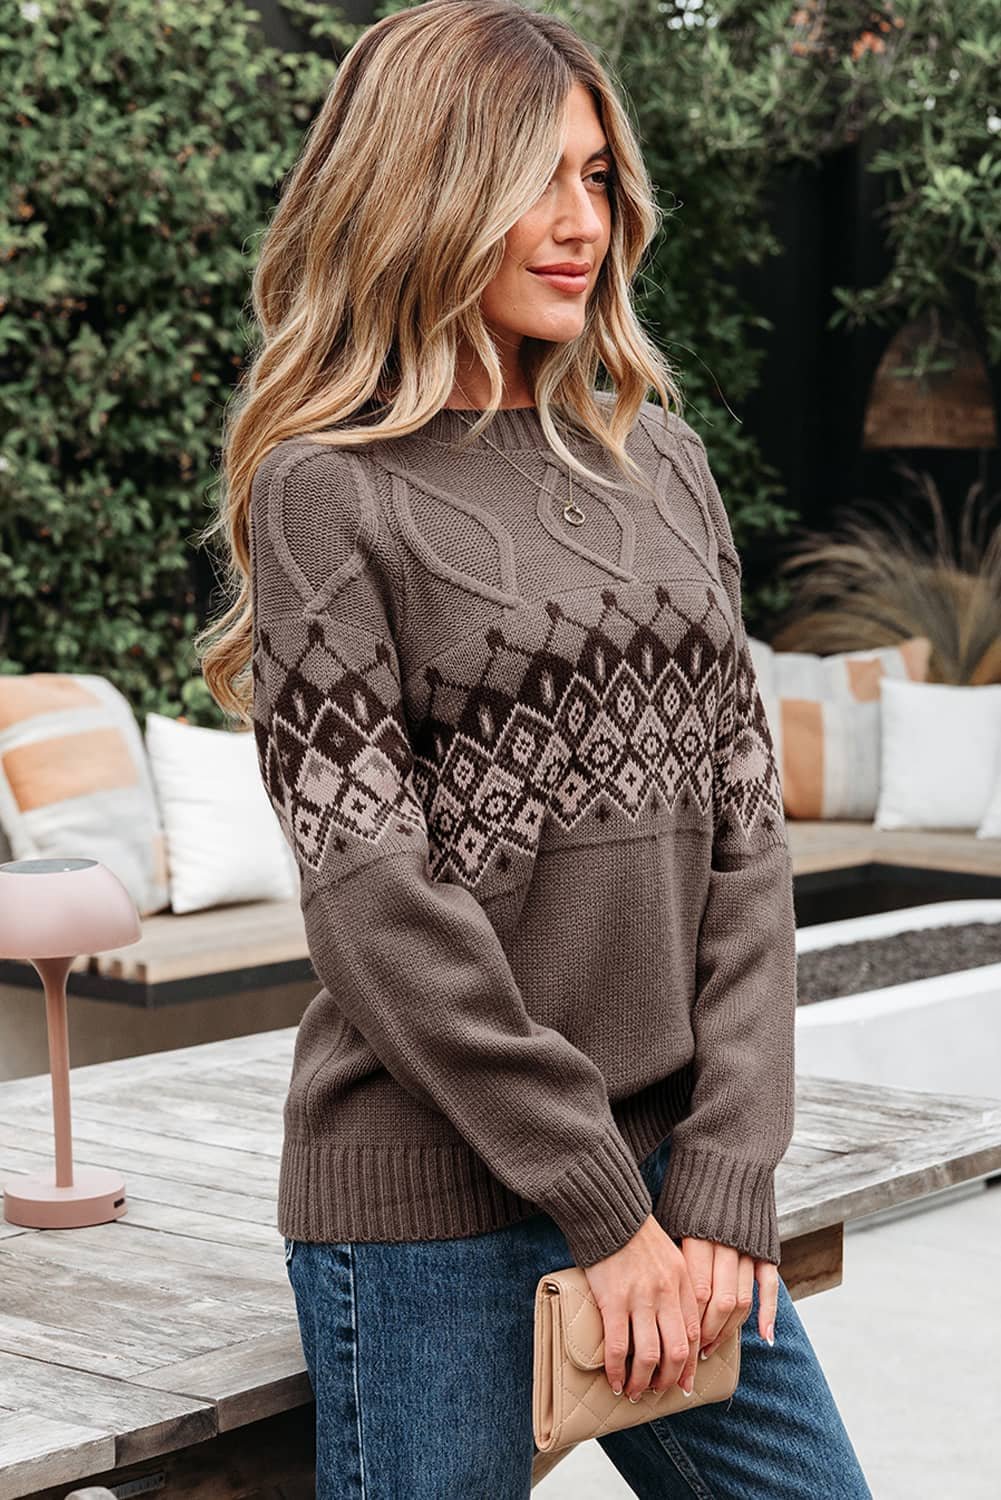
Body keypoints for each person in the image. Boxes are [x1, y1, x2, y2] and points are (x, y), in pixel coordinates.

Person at [196, 2, 873, 1495]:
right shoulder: (329, 491)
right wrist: (601, 1211)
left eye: (598, 178)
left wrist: (724, 1174)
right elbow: (374, 900)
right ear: (425, 190)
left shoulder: (665, 462)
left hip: (673, 1190)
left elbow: (748, 846)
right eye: (535, 181)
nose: (583, 224)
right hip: (432, 1203)